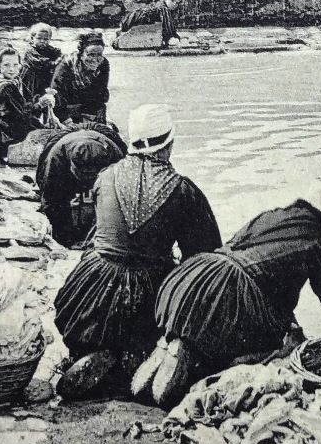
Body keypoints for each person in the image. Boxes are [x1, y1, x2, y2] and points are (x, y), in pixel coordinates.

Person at [137, 179, 321, 408]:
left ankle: (174, 342)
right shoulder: (316, 240)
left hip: (194, 276)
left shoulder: (269, 217)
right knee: (285, 345)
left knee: (216, 332)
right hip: (229, 292)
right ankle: (186, 356)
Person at [53, 105, 223, 400]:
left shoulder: (105, 176)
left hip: (90, 288)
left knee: (97, 279)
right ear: (168, 146)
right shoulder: (184, 191)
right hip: (148, 289)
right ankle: (131, 362)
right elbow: (203, 257)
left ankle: (98, 352)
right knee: (161, 331)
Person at [34, 120, 127, 248]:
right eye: (82, 175)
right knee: (55, 196)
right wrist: (65, 237)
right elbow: (51, 200)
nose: (86, 179)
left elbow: (121, 197)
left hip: (101, 135)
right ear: (71, 165)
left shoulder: (116, 155)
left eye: (91, 176)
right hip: (67, 138)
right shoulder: (56, 157)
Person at [0, 46, 41, 162]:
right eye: (6, 65)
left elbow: (26, 100)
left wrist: (36, 100)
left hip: (13, 122)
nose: (12, 69)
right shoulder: (6, 87)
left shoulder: (16, 81)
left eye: (15, 65)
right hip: (10, 128)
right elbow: (22, 112)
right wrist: (39, 105)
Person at [44, 33, 110, 124]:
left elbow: (101, 94)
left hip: (90, 110)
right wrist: (67, 121)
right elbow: (56, 96)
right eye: (91, 54)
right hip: (65, 112)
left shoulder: (103, 64)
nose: (95, 59)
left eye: (99, 54)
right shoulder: (65, 65)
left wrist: (92, 117)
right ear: (81, 54)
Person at [17, 23, 62, 107]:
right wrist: (55, 63)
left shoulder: (49, 49)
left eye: (46, 39)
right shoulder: (29, 50)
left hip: (44, 79)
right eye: (39, 38)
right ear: (32, 38)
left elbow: (57, 53)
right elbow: (40, 62)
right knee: (32, 99)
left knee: (46, 99)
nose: (42, 41)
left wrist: (59, 55)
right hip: (31, 79)